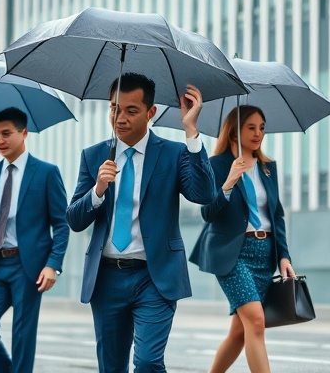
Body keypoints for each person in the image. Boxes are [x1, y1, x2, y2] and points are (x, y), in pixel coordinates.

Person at [67, 73, 217, 373]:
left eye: (130, 110)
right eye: (114, 109)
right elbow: (74, 219)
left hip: (155, 276)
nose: (119, 118)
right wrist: (97, 191)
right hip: (106, 278)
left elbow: (204, 194)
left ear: (151, 113)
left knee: (148, 362)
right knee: (112, 367)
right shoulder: (94, 156)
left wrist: (191, 131)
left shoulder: (173, 153)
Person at [188, 105, 295, 373]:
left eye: (262, 128)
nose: (259, 133)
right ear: (234, 130)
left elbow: (277, 215)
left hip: (265, 253)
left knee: (239, 331)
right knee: (257, 321)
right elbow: (208, 213)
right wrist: (229, 181)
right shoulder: (215, 165)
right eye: (251, 127)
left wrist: (284, 255)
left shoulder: (268, 168)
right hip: (232, 254)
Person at [0, 106, 69, 373]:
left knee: (23, 337)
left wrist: (53, 264)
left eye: (7, 133)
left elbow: (62, 224)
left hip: (29, 266)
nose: (0, 140)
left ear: (24, 133)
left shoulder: (46, 173)